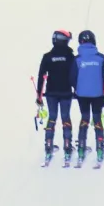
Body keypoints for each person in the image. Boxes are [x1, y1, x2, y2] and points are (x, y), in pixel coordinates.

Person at [36, 30, 77, 166]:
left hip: (51, 93)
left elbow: (41, 76)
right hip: (66, 92)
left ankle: (48, 147)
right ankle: (67, 147)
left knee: (52, 118)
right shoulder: (70, 56)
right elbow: (75, 76)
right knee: (65, 117)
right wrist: (76, 90)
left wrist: (39, 95)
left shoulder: (47, 57)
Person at [73, 30, 104, 166]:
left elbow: (72, 77)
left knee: (84, 119)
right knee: (97, 119)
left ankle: (81, 150)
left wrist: (76, 90)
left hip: (82, 95)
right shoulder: (100, 57)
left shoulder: (77, 59)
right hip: (97, 94)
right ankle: (100, 149)